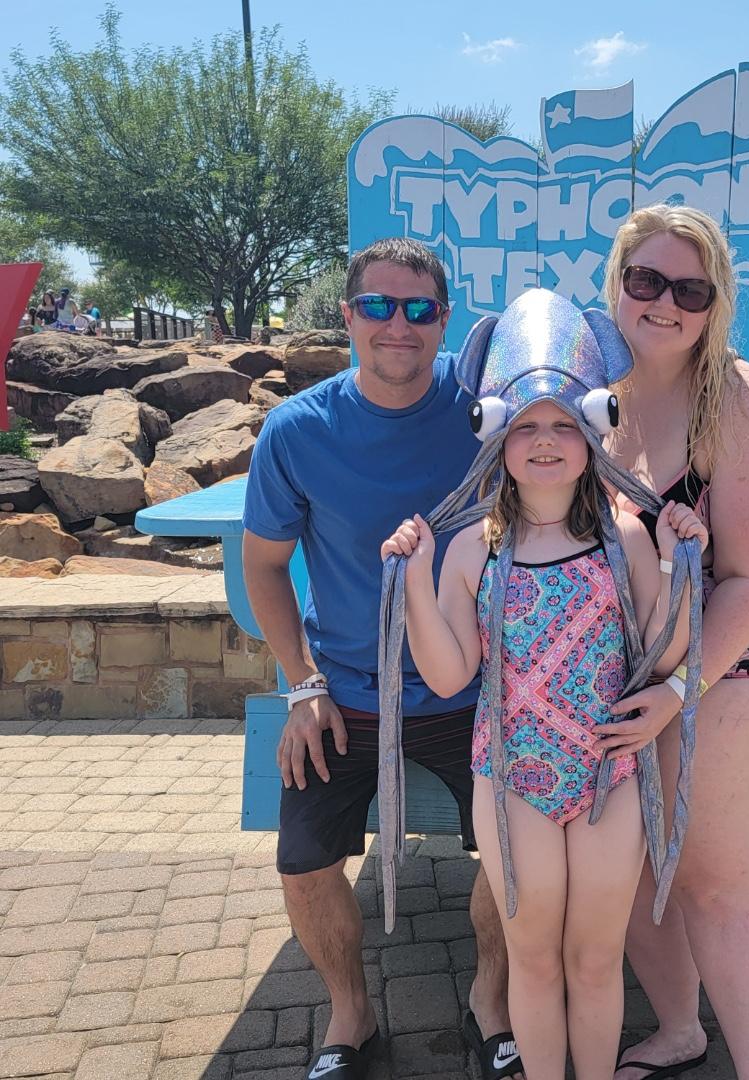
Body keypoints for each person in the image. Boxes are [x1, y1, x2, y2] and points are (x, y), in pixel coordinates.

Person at [381, 295, 708, 1080]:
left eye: (563, 424)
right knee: (531, 957)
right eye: (526, 426)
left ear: (593, 434)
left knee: (594, 959)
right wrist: (417, 581)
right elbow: (449, 674)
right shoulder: (472, 549)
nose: (546, 441)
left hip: (608, 774)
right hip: (513, 779)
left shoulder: (624, 538)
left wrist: (678, 564)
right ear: (497, 437)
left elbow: (664, 654)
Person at [242, 237, 522, 1080]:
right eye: (377, 306)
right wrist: (302, 687)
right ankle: (351, 1015)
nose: (398, 324)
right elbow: (264, 566)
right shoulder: (297, 430)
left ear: (445, 319)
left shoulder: (486, 417)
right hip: (346, 694)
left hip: (470, 688)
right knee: (303, 864)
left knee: (519, 846)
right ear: (348, 315)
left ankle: (492, 1002)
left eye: (418, 308)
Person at [597, 203, 749, 1080]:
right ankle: (680, 1031)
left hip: (723, 654)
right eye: (647, 280)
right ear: (616, 282)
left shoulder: (735, 397)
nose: (665, 303)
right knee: (634, 868)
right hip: (612, 657)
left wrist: (680, 692)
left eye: (691, 289)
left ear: (715, 303)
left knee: (715, 879)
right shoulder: (588, 384)